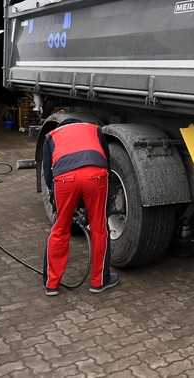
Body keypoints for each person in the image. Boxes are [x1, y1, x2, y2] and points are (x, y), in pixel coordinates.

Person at [42, 122, 119, 295]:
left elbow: (47, 172)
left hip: (64, 179)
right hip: (95, 175)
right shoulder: (94, 129)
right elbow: (106, 162)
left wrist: (56, 199)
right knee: (99, 229)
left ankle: (52, 284)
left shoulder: (51, 135)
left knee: (60, 229)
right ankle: (99, 282)